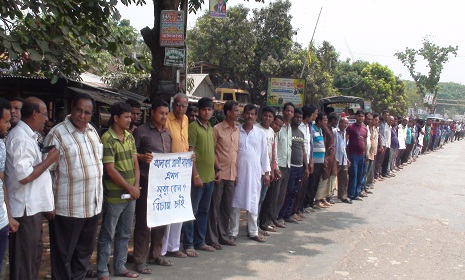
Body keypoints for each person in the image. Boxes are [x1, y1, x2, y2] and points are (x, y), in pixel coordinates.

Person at [44, 93, 103, 279]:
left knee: (83, 253)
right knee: (63, 256)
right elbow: (47, 171)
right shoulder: (57, 134)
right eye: (79, 110)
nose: (82, 115)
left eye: (87, 112)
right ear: (72, 109)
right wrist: (49, 204)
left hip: (91, 205)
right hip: (67, 208)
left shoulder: (92, 132)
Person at [6, 97, 58, 279]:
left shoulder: (29, 136)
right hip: (24, 209)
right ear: (35, 114)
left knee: (33, 258)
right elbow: (25, 176)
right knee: (24, 262)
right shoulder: (20, 138)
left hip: (32, 207)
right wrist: (49, 160)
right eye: (44, 114)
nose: (46, 119)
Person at [97, 102, 140, 279]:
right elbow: (110, 169)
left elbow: (135, 163)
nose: (130, 120)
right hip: (114, 196)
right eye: (127, 117)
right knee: (108, 233)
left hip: (131, 195)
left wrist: (135, 186)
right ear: (116, 118)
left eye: (130, 117)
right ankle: (102, 269)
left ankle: (120, 267)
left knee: (124, 233)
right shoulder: (107, 138)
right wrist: (130, 187)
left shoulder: (130, 137)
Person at [132, 100, 172, 273]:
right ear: (152, 112)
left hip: (163, 184)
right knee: (143, 221)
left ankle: (155, 254)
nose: (164, 116)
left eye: (166, 114)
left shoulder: (168, 133)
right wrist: (142, 157)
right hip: (147, 181)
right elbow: (132, 154)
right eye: (161, 113)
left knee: (161, 219)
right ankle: (139, 259)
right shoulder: (141, 131)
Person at [230, 104, 270, 243]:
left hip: (254, 173)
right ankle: (233, 232)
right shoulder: (236, 131)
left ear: (256, 116)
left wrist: (266, 173)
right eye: (247, 113)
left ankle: (253, 232)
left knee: (253, 201)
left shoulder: (260, 134)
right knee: (235, 203)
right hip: (238, 172)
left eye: (253, 114)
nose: (250, 116)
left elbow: (264, 155)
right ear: (243, 114)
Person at [183, 97, 216, 257]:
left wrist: (217, 170)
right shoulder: (193, 127)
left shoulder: (210, 128)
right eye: (204, 109)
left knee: (203, 211)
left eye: (210, 109)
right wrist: (195, 175)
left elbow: (211, 152)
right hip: (197, 178)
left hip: (210, 177)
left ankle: (200, 241)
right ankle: (188, 244)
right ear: (199, 111)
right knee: (192, 211)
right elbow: (190, 153)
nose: (207, 112)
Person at [206, 101, 239, 248]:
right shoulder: (217, 129)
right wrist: (217, 168)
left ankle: (223, 235)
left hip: (232, 175)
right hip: (219, 174)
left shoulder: (237, 130)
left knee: (226, 208)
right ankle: (212, 238)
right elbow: (211, 150)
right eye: (236, 111)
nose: (238, 113)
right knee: (215, 207)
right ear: (228, 112)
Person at [162, 93, 189, 259]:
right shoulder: (166, 119)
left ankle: (174, 246)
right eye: (178, 105)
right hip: (168, 170)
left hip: (183, 170)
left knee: (180, 208)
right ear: (173, 105)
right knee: (167, 210)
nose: (180, 108)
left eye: (183, 106)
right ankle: (162, 249)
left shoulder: (186, 120)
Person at [278, 108, 308, 223]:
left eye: (300, 117)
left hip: (299, 167)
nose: (298, 119)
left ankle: (289, 214)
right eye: (296, 117)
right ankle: (280, 215)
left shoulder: (301, 133)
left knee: (295, 191)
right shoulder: (287, 130)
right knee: (287, 191)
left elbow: (303, 150)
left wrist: (305, 166)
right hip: (289, 166)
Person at [0, 98, 19, 274]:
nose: (8, 125)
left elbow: (2, 182)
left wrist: (9, 216)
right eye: (5, 122)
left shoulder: (1, 146)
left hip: (2, 221)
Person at [259, 115, 283, 232]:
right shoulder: (258, 130)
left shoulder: (273, 134)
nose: (277, 127)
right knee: (259, 199)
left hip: (269, 169)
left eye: (279, 126)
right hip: (259, 169)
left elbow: (274, 153)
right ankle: (258, 224)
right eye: (276, 124)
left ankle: (263, 222)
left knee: (267, 198)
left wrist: (275, 168)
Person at [254, 106, 276, 235]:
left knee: (262, 199)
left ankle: (258, 225)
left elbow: (272, 152)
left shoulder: (272, 131)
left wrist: (272, 169)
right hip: (256, 170)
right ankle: (253, 227)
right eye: (266, 115)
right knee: (255, 199)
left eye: (270, 116)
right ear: (262, 116)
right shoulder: (256, 129)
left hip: (266, 171)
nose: (267, 118)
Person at [272, 102, 294, 228]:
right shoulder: (278, 127)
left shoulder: (289, 127)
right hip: (278, 165)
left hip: (287, 164)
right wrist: (275, 166)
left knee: (281, 194)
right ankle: (270, 218)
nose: (289, 113)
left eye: (291, 111)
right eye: (288, 111)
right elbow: (275, 148)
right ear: (283, 111)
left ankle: (276, 217)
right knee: (274, 194)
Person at [314, 112, 338, 207]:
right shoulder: (324, 129)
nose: (326, 121)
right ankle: (318, 199)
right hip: (326, 156)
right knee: (322, 177)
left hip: (331, 157)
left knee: (329, 177)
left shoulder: (330, 129)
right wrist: (325, 157)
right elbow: (323, 143)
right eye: (325, 120)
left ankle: (324, 197)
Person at [304, 112, 326, 209]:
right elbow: (311, 146)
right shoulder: (313, 130)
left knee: (316, 183)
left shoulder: (321, 131)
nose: (326, 122)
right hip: (314, 161)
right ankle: (307, 203)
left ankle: (311, 202)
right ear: (319, 121)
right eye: (324, 120)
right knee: (311, 183)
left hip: (320, 161)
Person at [346, 110, 368, 201]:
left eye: (362, 116)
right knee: (353, 174)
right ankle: (350, 194)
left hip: (361, 155)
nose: (361, 118)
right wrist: (346, 154)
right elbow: (346, 140)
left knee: (360, 174)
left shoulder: (364, 128)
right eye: (359, 116)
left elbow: (365, 142)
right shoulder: (350, 127)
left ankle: (357, 193)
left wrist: (365, 153)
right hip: (353, 154)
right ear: (356, 117)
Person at [334, 117, 351, 203]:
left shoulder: (344, 133)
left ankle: (343, 196)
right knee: (332, 179)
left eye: (347, 123)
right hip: (336, 159)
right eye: (345, 123)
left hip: (343, 159)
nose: (346, 125)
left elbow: (344, 147)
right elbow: (332, 146)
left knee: (344, 179)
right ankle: (328, 197)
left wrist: (347, 158)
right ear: (340, 123)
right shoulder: (335, 131)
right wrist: (333, 158)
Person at [375, 110, 390, 180]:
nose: (386, 116)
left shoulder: (385, 124)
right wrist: (380, 145)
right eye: (385, 115)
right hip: (380, 144)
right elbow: (380, 135)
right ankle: (376, 175)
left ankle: (379, 174)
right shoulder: (380, 124)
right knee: (378, 161)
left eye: (387, 115)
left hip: (385, 144)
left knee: (381, 160)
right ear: (382, 115)